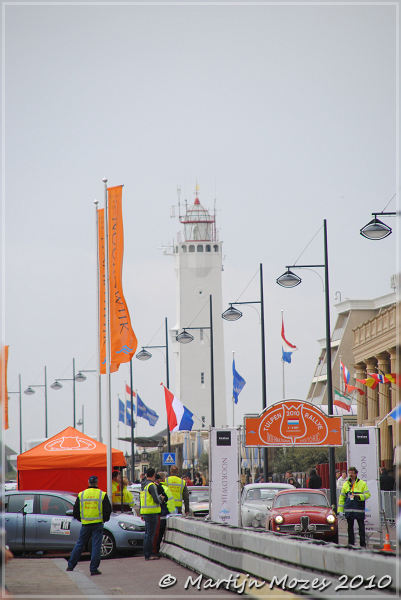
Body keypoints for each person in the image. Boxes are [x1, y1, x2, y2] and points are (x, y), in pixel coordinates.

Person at [67, 475, 111, 576]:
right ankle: (93, 569)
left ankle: (71, 565)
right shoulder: (102, 494)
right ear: (97, 482)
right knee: (96, 546)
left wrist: (81, 519)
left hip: (85, 524)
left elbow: (76, 510)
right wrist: (103, 519)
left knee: (80, 544)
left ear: (88, 483)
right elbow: (107, 510)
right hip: (98, 524)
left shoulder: (81, 494)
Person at [338, 467, 371, 547]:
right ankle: (351, 543)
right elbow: (342, 498)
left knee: (361, 528)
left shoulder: (362, 483)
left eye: (352, 472)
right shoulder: (346, 484)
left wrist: (359, 496)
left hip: (358, 509)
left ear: (356, 473)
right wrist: (340, 510)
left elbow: (367, 495)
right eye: (349, 472)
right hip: (349, 509)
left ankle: (362, 544)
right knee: (350, 528)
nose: (350, 474)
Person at [140, 467, 165, 560]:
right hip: (152, 513)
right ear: (154, 475)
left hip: (145, 512)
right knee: (150, 535)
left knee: (147, 535)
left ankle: (146, 553)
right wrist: (161, 498)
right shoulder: (151, 485)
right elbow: (156, 500)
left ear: (146, 475)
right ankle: (149, 554)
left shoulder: (143, 485)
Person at [154, 472, 175, 556]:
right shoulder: (164, 488)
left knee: (154, 534)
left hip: (153, 514)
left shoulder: (149, 487)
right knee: (160, 534)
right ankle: (157, 550)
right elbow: (169, 502)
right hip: (163, 514)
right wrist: (172, 513)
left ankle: (154, 550)